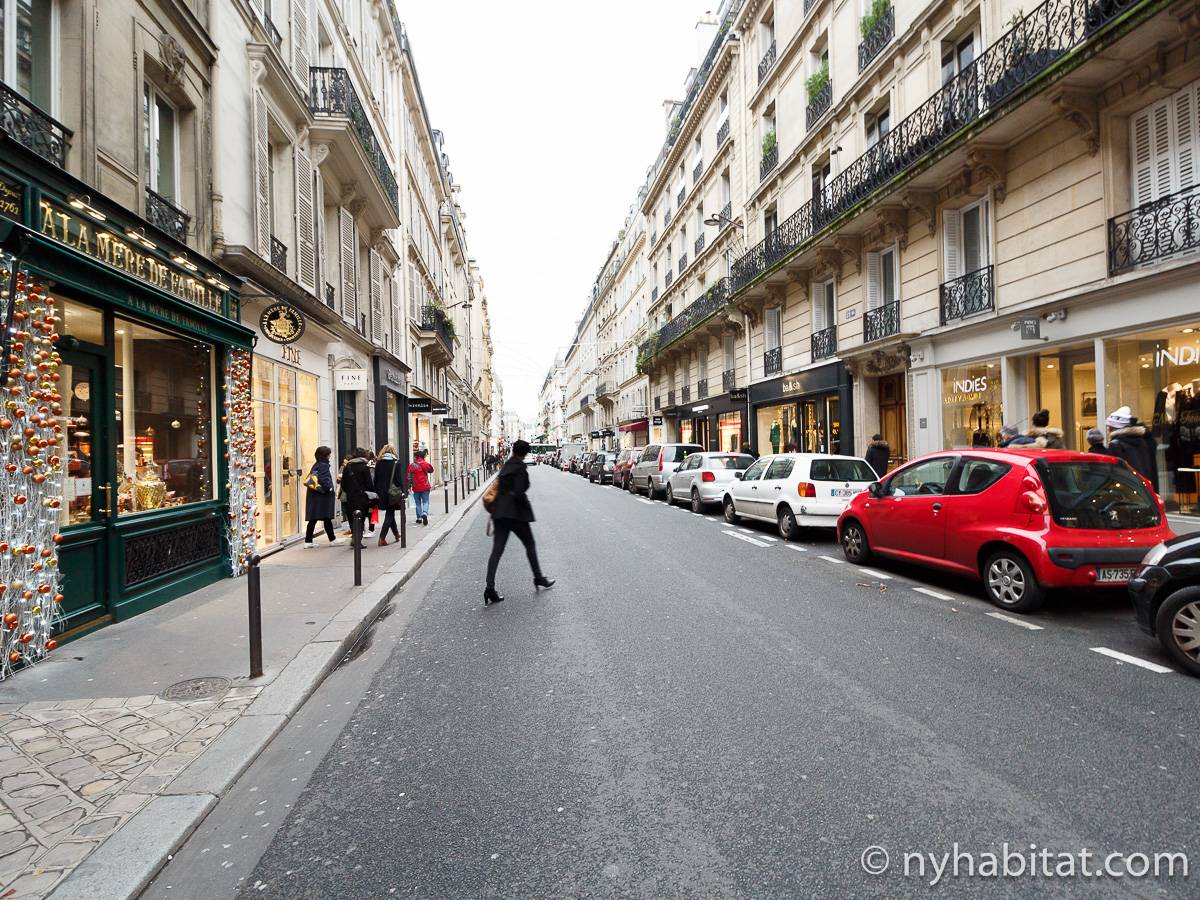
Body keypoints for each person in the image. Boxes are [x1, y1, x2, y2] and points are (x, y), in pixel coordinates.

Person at [484, 439, 554, 605]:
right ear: (525, 453)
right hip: (516, 514)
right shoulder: (520, 468)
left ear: (513, 451)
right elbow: (519, 491)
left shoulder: (506, 466)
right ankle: (538, 577)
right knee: (530, 544)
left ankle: (489, 588)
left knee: (497, 551)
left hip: (500, 513)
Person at [1105, 406, 1160, 488]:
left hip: (1128, 488)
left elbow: (1115, 472)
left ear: (1113, 427)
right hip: (1145, 488)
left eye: (1109, 427)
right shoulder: (1144, 441)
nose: (1108, 429)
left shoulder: (1115, 445)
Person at [303, 446, 342, 548]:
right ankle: (332, 540)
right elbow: (325, 480)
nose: (330, 456)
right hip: (322, 497)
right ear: (325, 455)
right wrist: (329, 489)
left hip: (315, 496)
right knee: (326, 517)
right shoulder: (323, 466)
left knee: (314, 519)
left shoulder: (316, 465)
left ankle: (308, 541)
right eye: (329, 454)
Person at [339, 448, 375, 548]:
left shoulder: (348, 466)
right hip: (362, 497)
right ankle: (357, 541)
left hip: (350, 497)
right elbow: (369, 484)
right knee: (361, 518)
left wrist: (350, 491)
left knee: (352, 518)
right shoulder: (364, 467)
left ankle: (354, 538)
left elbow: (343, 484)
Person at [373, 444, 403, 546]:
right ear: (393, 452)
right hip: (392, 493)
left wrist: (376, 491)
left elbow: (376, 479)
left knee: (390, 513)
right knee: (390, 513)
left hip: (381, 492)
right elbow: (398, 480)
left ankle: (396, 534)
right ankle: (382, 537)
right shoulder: (396, 463)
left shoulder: (379, 463)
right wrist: (403, 491)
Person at [407, 450, 434, 525]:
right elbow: (431, 470)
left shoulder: (412, 465)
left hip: (416, 487)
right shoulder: (426, 464)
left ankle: (419, 518)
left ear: (416, 457)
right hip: (425, 486)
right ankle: (424, 513)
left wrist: (409, 486)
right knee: (426, 501)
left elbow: (408, 477)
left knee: (418, 503)